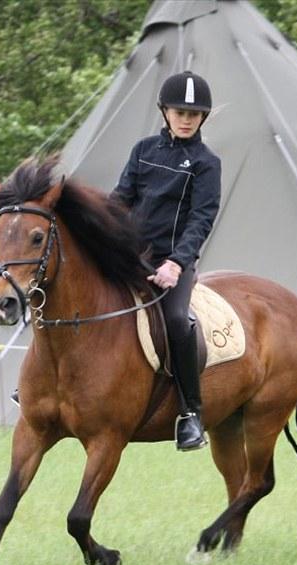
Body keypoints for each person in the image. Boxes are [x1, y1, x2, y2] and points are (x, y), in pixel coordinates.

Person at [112, 71, 222, 451]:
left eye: (194, 113)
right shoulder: (143, 151)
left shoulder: (207, 163)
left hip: (172, 263)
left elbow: (201, 218)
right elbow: (120, 199)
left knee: (178, 321)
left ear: (203, 117)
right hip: (132, 257)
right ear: (165, 111)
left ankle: (191, 413)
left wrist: (176, 263)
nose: (187, 118)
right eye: (180, 111)